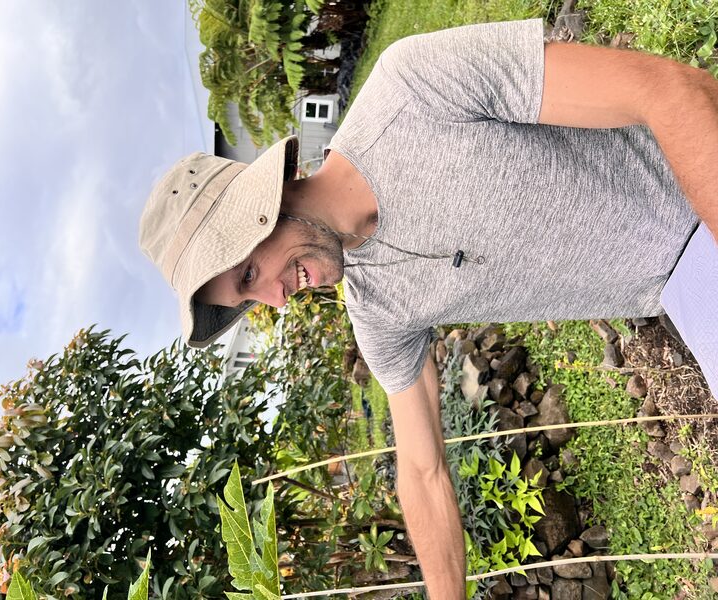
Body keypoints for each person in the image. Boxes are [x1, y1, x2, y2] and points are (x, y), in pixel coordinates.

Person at [139, 19, 717, 599]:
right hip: (687, 291)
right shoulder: (377, 313)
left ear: (258, 208)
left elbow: (666, 91)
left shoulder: (410, 89)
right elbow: (421, 470)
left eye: (249, 276)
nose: (275, 299)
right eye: (249, 299)